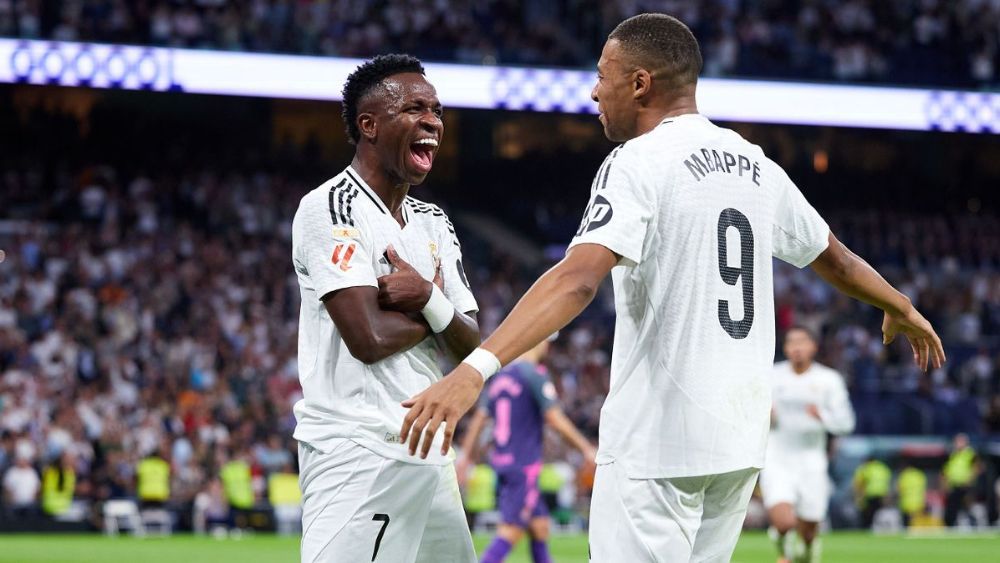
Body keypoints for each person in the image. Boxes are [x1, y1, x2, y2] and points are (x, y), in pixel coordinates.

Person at [400, 13, 946, 562]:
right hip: (737, 446)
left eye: (603, 74)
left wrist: (476, 369)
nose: (594, 91)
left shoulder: (638, 160)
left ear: (640, 84)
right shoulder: (756, 164)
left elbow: (577, 278)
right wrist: (899, 304)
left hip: (657, 447)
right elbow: (838, 261)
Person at [291, 54, 480, 563]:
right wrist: (435, 308)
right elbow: (369, 339)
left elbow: (470, 343)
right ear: (369, 125)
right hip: (358, 452)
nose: (433, 122)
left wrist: (425, 297)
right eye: (415, 108)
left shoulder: (433, 222)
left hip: (428, 451)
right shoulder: (329, 208)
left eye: (437, 110)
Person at [457, 336, 597, 563]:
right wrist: (586, 448)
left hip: (502, 462)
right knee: (511, 530)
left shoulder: (501, 378)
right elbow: (554, 417)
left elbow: (480, 419)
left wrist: (465, 458)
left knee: (540, 527)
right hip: (524, 465)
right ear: (541, 342)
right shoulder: (534, 375)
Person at [760, 327, 855, 563]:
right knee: (783, 522)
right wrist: (764, 416)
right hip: (777, 456)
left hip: (812, 459)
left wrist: (822, 416)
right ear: (785, 348)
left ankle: (805, 549)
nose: (797, 347)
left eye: (802, 342)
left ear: (813, 346)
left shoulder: (829, 380)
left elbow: (846, 423)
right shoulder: (770, 375)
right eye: (791, 342)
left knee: (809, 529)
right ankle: (785, 550)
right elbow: (749, 411)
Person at [942, 433, 979, 527]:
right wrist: (946, 483)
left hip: (965, 485)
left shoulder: (970, 453)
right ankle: (951, 524)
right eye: (956, 441)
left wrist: (970, 480)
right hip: (954, 485)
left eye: (959, 441)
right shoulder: (953, 454)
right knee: (952, 507)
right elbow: (947, 470)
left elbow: (976, 467)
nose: (957, 443)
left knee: (967, 506)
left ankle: (973, 523)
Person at [853, 456, 891, 529]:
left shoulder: (866, 468)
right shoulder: (883, 468)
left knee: (868, 514)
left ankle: (867, 527)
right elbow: (887, 481)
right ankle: (878, 528)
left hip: (870, 494)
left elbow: (860, 483)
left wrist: (859, 496)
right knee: (878, 514)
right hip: (881, 494)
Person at [896, 461, 927, 528]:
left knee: (907, 523)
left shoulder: (904, 475)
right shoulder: (920, 475)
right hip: (918, 501)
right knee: (916, 521)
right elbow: (924, 489)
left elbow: (899, 488)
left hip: (906, 501)